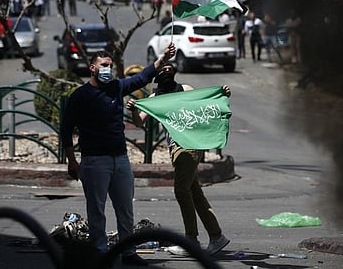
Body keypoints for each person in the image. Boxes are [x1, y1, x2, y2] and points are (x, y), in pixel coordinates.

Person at [60, 43, 176, 266]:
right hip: (94, 161)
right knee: (96, 211)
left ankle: (128, 252)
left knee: (125, 209)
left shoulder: (116, 87)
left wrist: (161, 59)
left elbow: (141, 78)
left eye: (110, 66)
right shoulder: (80, 95)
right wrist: (72, 161)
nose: (108, 70)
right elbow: (66, 129)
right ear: (92, 67)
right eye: (104, 65)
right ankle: (99, 252)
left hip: (120, 159)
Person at [126, 63, 231, 257]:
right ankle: (217, 236)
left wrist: (221, 95)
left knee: (181, 191)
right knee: (194, 192)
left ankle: (191, 240)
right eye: (163, 68)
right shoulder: (155, 98)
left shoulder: (185, 90)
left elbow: (205, 104)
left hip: (190, 146)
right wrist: (133, 108)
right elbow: (140, 121)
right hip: (175, 148)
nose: (166, 71)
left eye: (170, 68)